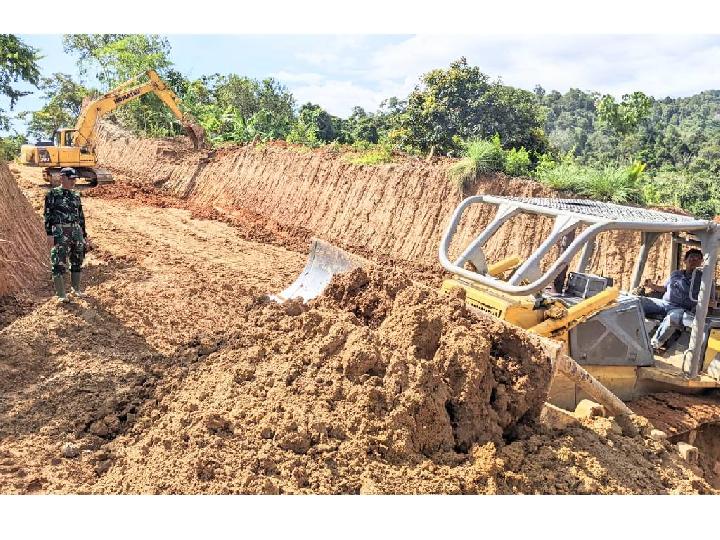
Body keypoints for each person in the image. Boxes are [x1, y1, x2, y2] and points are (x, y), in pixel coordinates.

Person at [639, 248, 704, 350]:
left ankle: (654, 345)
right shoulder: (675, 274)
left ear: (701, 262)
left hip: (681, 309)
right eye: (691, 258)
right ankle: (633, 334)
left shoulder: (704, 279)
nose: (694, 261)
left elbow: (711, 300)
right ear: (685, 260)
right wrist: (651, 285)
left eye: (697, 259)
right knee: (638, 302)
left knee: (673, 318)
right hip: (664, 303)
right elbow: (664, 289)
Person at [44, 167, 90, 303]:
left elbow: (81, 216)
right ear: (62, 178)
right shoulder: (52, 194)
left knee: (77, 258)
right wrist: (49, 234)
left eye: (74, 179)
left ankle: (76, 289)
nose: (73, 181)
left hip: (76, 231)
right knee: (58, 261)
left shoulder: (75, 195)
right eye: (71, 179)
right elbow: (47, 214)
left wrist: (84, 235)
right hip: (60, 230)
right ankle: (61, 294)